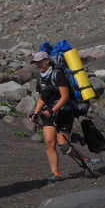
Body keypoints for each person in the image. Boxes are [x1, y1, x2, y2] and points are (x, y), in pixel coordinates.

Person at [29, 49, 79, 181]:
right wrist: (35, 113)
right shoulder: (41, 78)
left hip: (64, 112)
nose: (37, 65)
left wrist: (54, 110)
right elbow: (41, 98)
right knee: (49, 143)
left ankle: (85, 160)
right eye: (36, 63)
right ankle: (55, 173)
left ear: (47, 61)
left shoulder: (58, 75)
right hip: (48, 113)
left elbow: (65, 97)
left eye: (39, 62)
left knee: (64, 146)